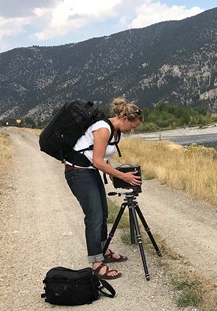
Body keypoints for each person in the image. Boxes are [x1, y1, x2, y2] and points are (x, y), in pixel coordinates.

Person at [65, 97, 143, 279]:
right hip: (78, 173)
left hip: (90, 172)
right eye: (131, 127)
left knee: (104, 213)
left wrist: (114, 176)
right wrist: (121, 175)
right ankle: (96, 263)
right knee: (94, 216)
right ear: (125, 119)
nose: (131, 131)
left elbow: (103, 157)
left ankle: (102, 250)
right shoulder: (102, 128)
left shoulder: (116, 132)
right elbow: (98, 161)